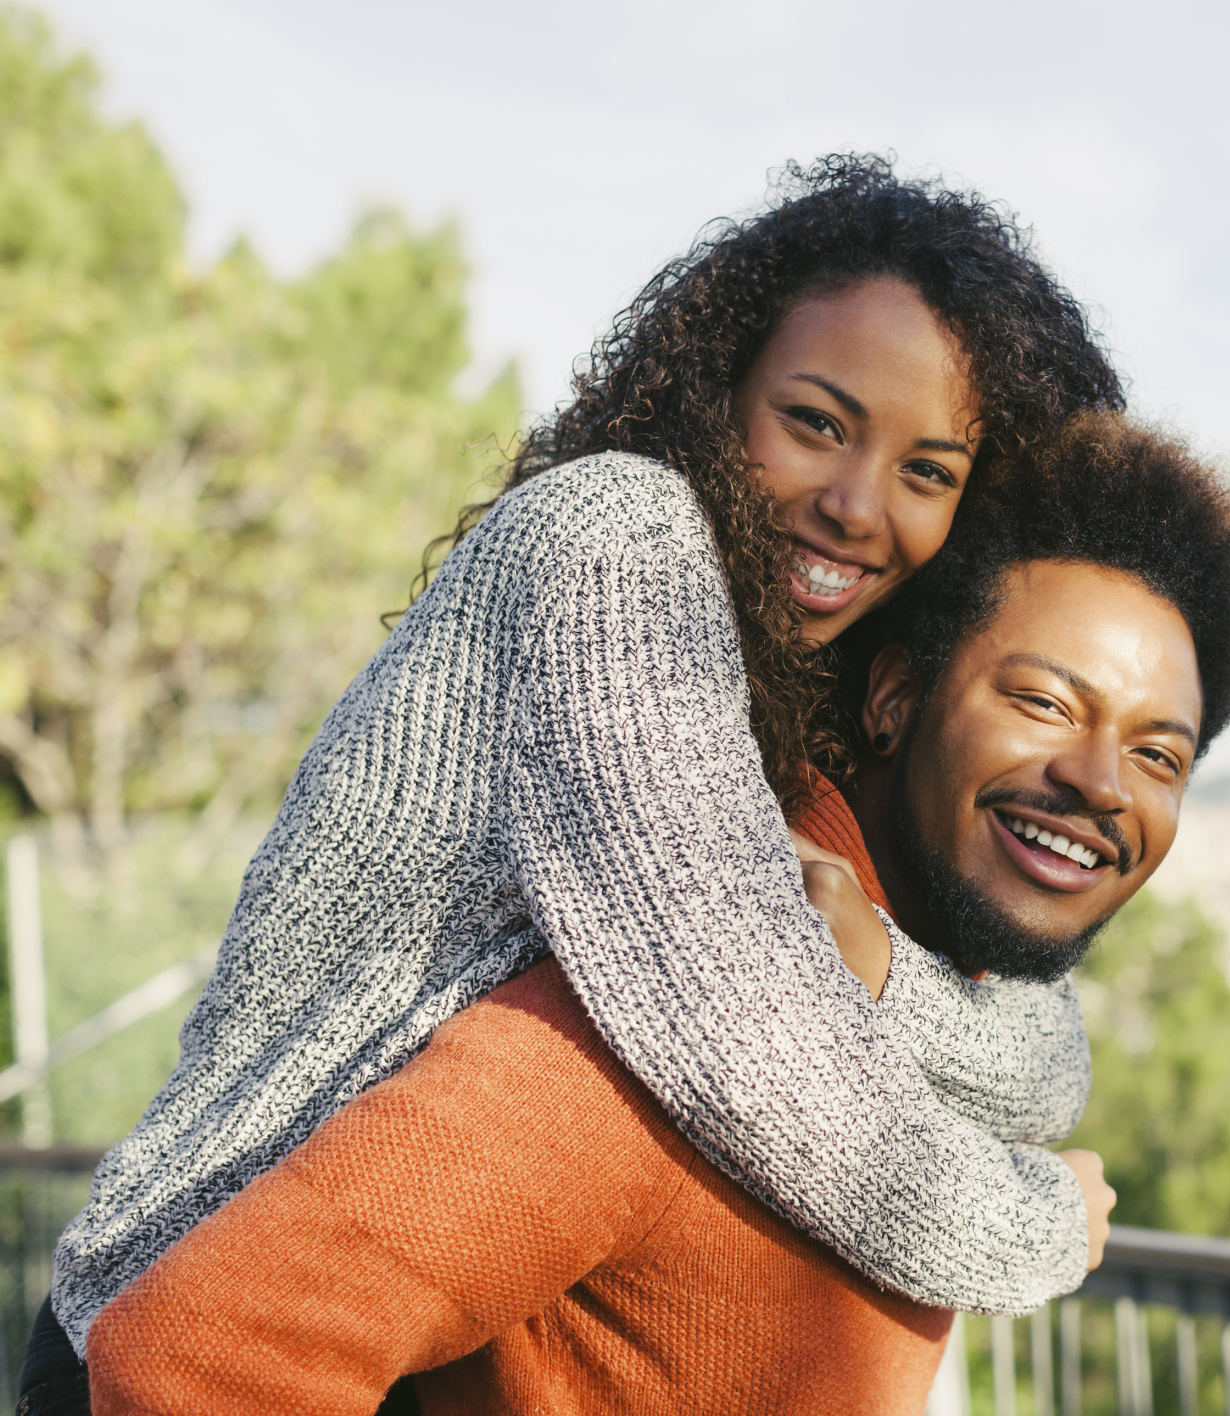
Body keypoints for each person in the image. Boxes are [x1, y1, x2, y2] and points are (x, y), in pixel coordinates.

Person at [24, 156, 1128, 1415]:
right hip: (196, 1326)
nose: (857, 507)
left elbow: (1019, 1050)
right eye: (816, 423)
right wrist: (1035, 1225)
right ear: (718, 396)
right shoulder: (616, 536)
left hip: (378, 1330)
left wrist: (874, 968)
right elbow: (739, 1030)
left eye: (930, 472)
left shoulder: (762, 681)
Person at [84, 412, 1230, 1416]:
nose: (1102, 781)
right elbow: (194, 1352)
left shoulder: (929, 1023)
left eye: (1160, 755)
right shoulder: (672, 1021)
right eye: (1043, 702)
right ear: (896, 699)